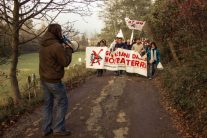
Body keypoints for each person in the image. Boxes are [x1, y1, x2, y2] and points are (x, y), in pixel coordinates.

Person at [39, 23, 74, 136]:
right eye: (60, 31)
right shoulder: (56, 46)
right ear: (57, 32)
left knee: (47, 104)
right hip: (54, 80)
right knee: (62, 102)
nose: (61, 33)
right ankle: (58, 128)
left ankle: (46, 129)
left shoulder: (43, 43)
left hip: (44, 78)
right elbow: (65, 62)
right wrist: (69, 50)